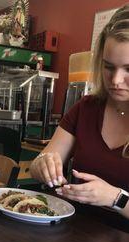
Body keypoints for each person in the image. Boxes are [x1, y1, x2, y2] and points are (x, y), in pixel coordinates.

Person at [30, 5, 129, 219]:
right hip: (74, 233)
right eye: (109, 67)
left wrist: (116, 198)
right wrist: (42, 165)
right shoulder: (86, 108)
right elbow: (40, 164)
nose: (116, 80)